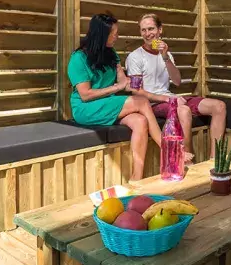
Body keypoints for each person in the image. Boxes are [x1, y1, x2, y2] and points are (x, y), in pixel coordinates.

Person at [68, 13, 162, 180]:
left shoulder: (111, 54)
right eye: (114, 33)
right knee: (141, 102)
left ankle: (136, 178)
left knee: (140, 122)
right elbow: (85, 95)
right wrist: (116, 87)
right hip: (86, 108)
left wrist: (135, 82)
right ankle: (169, 150)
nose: (117, 36)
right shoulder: (78, 59)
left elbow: (124, 81)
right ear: (102, 34)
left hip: (108, 104)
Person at [125, 14, 228, 159]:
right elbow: (137, 92)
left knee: (219, 106)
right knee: (183, 110)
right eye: (143, 30)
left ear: (160, 30)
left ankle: (215, 162)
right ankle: (187, 162)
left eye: (151, 29)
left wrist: (165, 56)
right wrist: (167, 99)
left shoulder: (166, 54)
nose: (147, 34)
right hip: (152, 104)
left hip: (170, 97)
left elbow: (177, 81)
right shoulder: (135, 57)